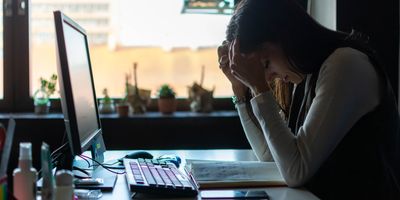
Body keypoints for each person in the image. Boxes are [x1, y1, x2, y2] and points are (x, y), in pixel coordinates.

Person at [217, 0, 400, 199]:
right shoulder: (307, 77)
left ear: (284, 37)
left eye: (267, 64)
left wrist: (259, 88)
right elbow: (273, 159)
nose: (269, 77)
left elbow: (296, 171)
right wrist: (240, 91)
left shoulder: (345, 65)